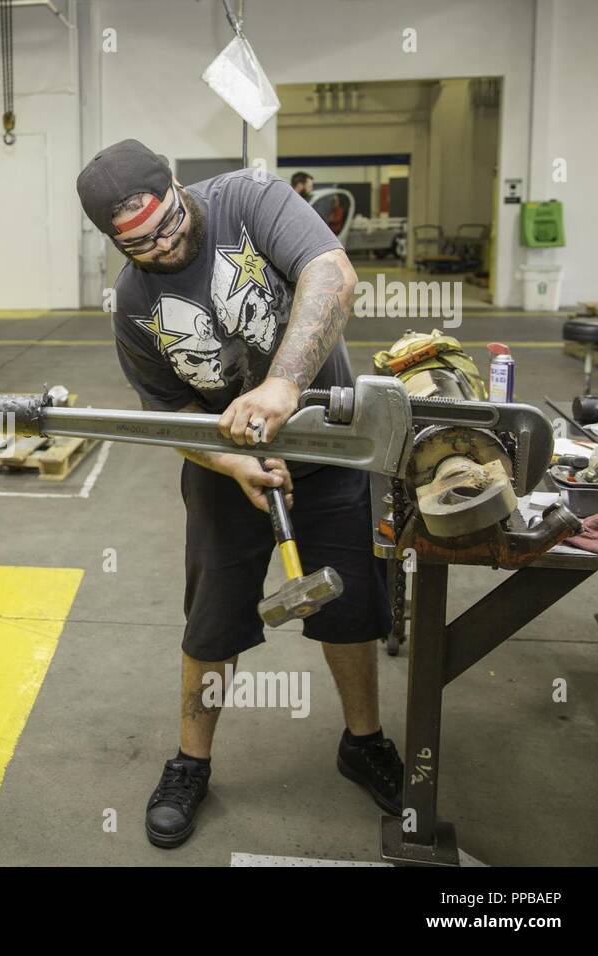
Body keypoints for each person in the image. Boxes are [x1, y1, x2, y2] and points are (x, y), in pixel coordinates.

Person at [77, 139, 400, 849]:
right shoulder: (134, 306)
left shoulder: (249, 200)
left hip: (330, 445)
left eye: (167, 224)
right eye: (140, 245)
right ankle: (192, 762)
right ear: (113, 242)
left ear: (175, 184)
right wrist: (231, 466)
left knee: (351, 611)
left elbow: (331, 274)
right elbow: (168, 418)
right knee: (213, 624)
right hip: (231, 470)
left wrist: (284, 382)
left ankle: (364, 740)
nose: (163, 247)